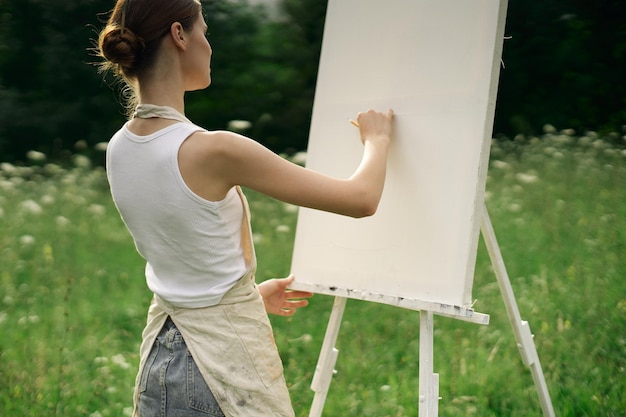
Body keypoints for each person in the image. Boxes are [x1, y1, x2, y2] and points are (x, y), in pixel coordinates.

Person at [96, 0, 394, 416]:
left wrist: (247, 297)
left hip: (160, 361)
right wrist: (377, 140)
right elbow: (360, 200)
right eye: (205, 32)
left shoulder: (119, 148)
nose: (209, 45)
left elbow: (183, 253)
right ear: (180, 36)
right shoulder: (215, 150)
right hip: (217, 373)